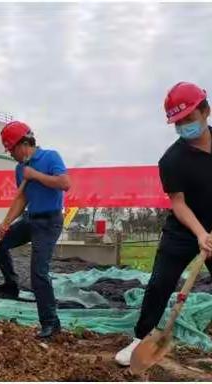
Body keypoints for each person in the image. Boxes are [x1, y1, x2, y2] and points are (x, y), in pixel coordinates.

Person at [115, 82, 212, 366]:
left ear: (206, 111)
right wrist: (200, 234)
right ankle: (141, 337)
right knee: (159, 283)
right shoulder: (171, 160)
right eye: (178, 123)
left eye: (189, 120)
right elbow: (178, 203)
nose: (184, 127)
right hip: (183, 230)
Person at [0, 121, 71, 338]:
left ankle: (51, 323)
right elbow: (22, 198)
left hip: (49, 222)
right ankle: (11, 285)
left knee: (38, 273)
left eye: (12, 150)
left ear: (24, 143)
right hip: (30, 219)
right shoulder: (20, 169)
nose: (12, 155)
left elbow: (64, 183)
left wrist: (36, 176)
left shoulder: (50, 157)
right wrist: (6, 223)